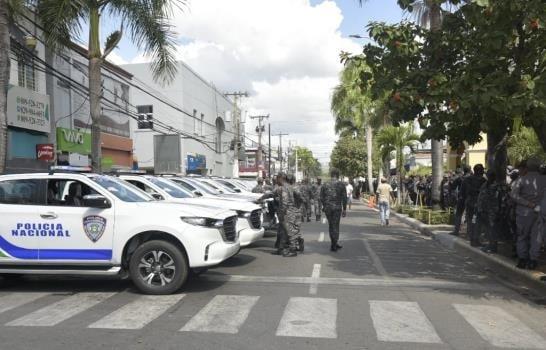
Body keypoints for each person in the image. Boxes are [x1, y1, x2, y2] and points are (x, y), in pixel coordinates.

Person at [510, 157, 546, 270]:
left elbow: (514, 195)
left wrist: (528, 203)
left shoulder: (521, 179)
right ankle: (533, 261)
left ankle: (522, 260)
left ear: (528, 167)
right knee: (536, 237)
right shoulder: (544, 179)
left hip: (524, 213)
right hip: (540, 212)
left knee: (522, 236)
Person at [320, 168, 347, 252]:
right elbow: (344, 198)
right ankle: (334, 244)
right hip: (337, 208)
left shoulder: (325, 184)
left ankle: (334, 242)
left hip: (328, 208)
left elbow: (321, 197)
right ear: (337, 175)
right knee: (335, 226)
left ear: (331, 175)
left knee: (331, 225)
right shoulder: (341, 184)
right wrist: (344, 209)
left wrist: (324, 205)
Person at [461, 164, 486, 246]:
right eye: (481, 170)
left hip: (472, 203)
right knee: (475, 222)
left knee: (473, 222)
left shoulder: (482, 180)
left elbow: (462, 192)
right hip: (475, 204)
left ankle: (474, 239)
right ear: (477, 170)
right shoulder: (482, 181)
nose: (483, 171)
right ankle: (474, 239)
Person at [476, 170, 501, 253]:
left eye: (490, 175)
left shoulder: (497, 186)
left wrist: (497, 211)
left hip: (493, 212)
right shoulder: (485, 184)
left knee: (493, 229)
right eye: (488, 175)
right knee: (488, 229)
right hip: (484, 210)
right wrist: (479, 208)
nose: (489, 177)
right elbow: (480, 197)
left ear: (494, 177)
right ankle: (490, 245)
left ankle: (493, 247)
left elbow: (499, 200)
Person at [451, 165, 471, 236]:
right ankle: (469, 233)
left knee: (458, 215)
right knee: (469, 216)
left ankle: (456, 231)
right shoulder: (473, 178)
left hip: (462, 198)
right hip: (471, 199)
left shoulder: (460, 178)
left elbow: (452, 187)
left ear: (463, 170)